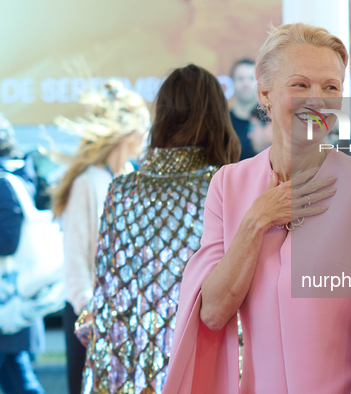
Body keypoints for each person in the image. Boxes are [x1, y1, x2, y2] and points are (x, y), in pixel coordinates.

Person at [163, 23, 351, 393]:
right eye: (300, 85)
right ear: (265, 92)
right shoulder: (228, 185)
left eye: (331, 87)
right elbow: (211, 313)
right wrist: (257, 219)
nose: (317, 100)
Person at [78, 64, 240, 394]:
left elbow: (109, 293)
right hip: (202, 356)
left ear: (161, 116)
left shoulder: (121, 190)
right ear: (217, 117)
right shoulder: (224, 186)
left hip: (137, 361)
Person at [51, 81, 150, 394]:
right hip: (91, 317)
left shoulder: (129, 176)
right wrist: (89, 313)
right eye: (145, 126)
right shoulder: (88, 182)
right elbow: (76, 258)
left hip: (123, 315)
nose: (147, 135)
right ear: (129, 131)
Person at [0, 114, 45, 394]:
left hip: (8, 300)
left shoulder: (5, 183)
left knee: (20, 381)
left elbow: (7, 241)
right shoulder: (14, 177)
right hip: (10, 300)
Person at [229, 58, 258, 160]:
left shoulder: (270, 121)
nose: (246, 83)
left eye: (251, 78)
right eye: (240, 78)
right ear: (232, 82)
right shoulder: (223, 122)